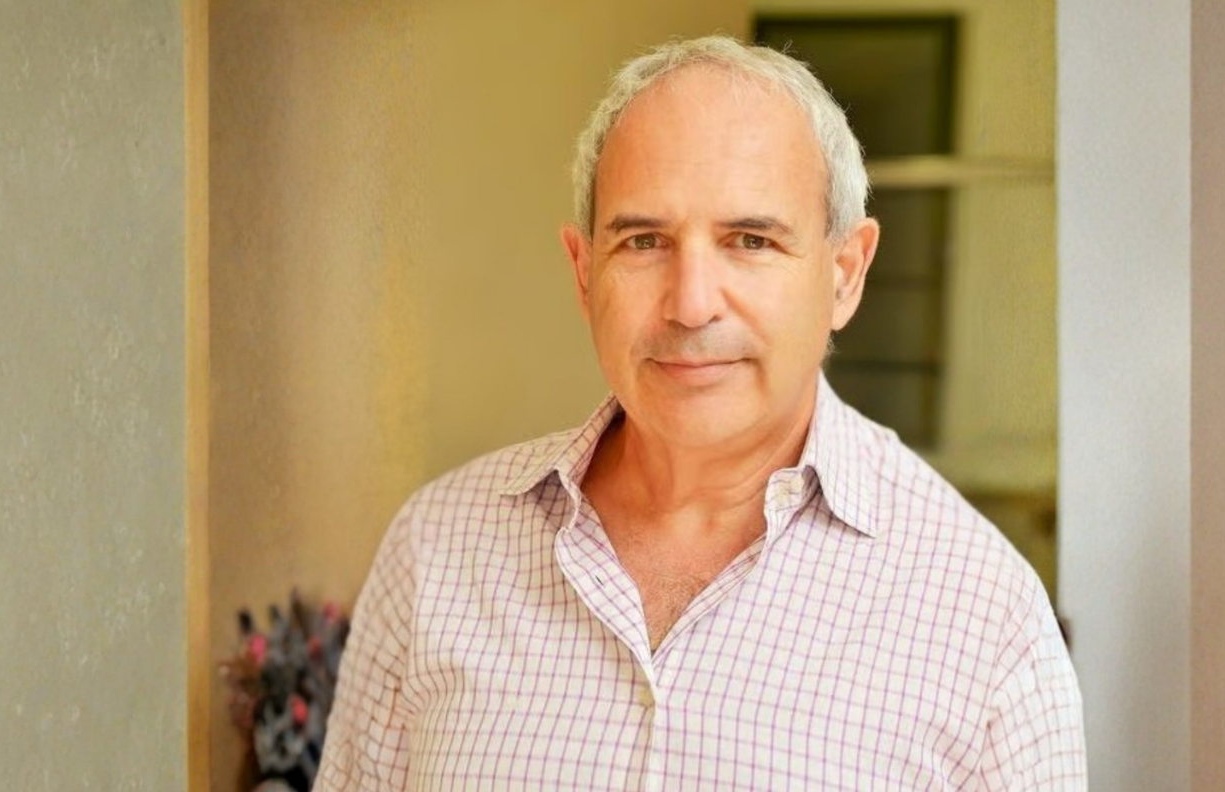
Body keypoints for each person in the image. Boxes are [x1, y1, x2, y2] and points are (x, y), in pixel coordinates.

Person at [314, 34, 1086, 791]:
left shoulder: (985, 619)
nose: (689, 304)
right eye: (643, 241)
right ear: (583, 273)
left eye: (749, 240)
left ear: (844, 274)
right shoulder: (436, 549)